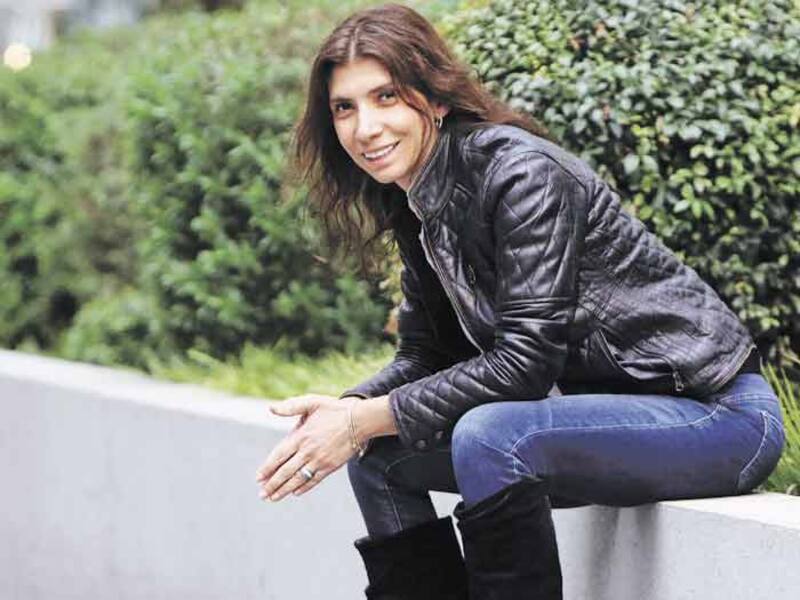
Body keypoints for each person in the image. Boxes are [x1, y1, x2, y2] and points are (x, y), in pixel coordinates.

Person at [255, 4, 786, 599]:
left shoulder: (519, 172)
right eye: (344, 108)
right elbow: (427, 355)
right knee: (378, 457)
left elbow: (526, 363)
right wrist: (348, 413)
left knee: (489, 433)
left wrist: (362, 419)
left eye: (386, 97)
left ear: (434, 98)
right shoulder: (417, 199)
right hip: (611, 423)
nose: (366, 127)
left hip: (717, 417)